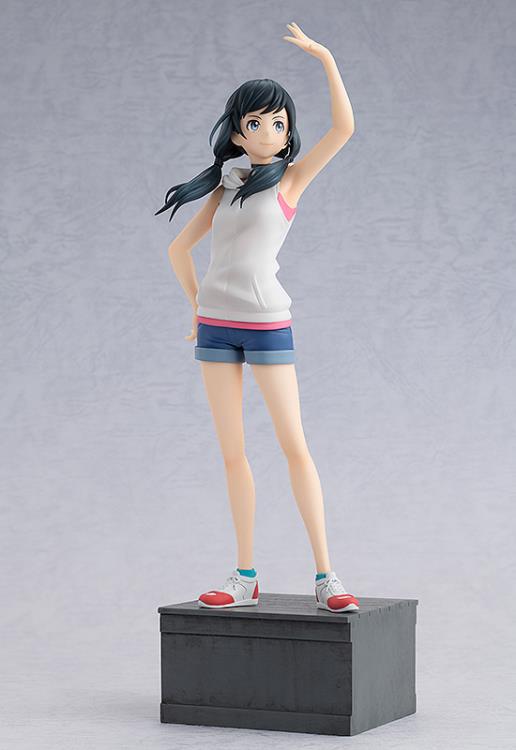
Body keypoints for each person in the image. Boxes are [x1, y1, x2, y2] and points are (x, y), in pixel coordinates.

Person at [155, 22, 359, 613]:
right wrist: (196, 307)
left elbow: (344, 129)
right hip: (216, 328)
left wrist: (326, 58)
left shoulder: (291, 180)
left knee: (294, 445)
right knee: (232, 453)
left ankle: (327, 576)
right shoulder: (225, 186)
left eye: (278, 124)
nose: (267, 132)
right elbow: (178, 250)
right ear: (236, 130)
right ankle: (245, 575)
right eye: (255, 123)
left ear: (288, 133)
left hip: (268, 323)